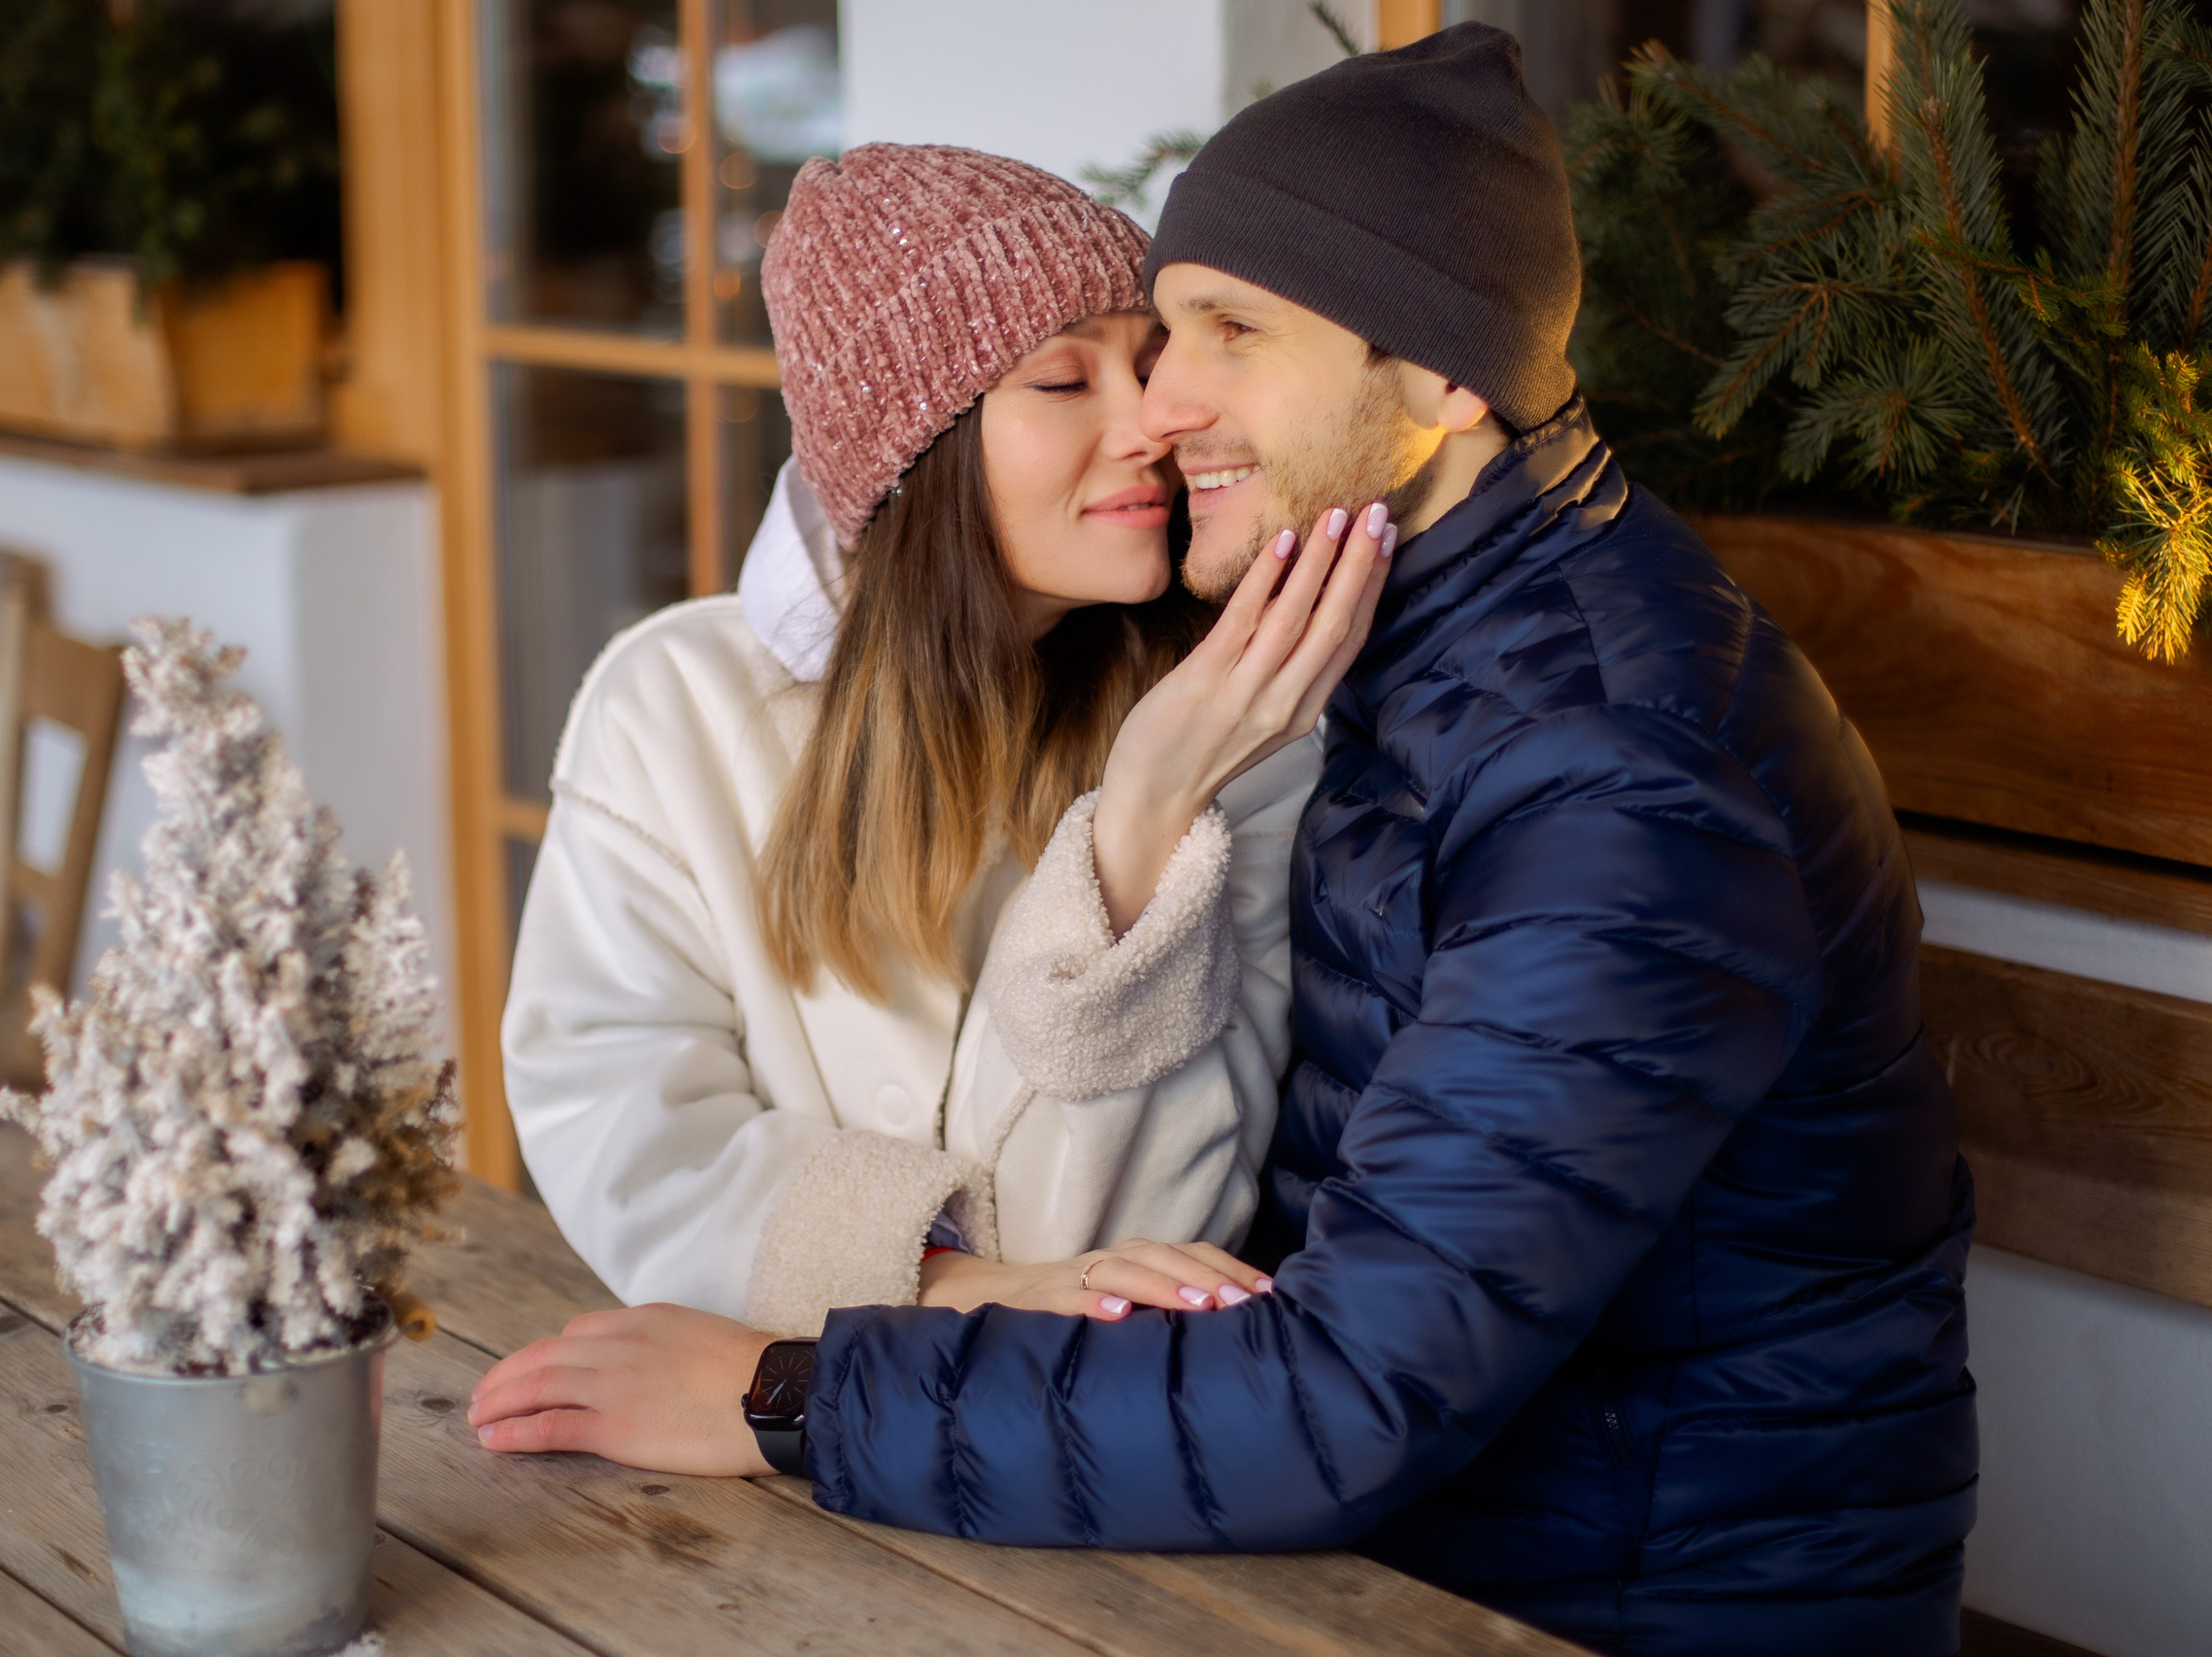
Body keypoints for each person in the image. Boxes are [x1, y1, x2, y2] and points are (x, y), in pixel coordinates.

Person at [472, 29, 1975, 1657]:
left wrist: (790, 1393)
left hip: (1601, 1597)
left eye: (1219, 336)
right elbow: (629, 1098)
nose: (1162, 411)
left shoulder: (1606, 771)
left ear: (1449, 370)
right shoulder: (1415, 673)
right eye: (1105, 361)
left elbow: (1332, 1386)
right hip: (1392, 1523)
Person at [496, 144, 1391, 1347]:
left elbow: (1129, 1245)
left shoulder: (1239, 734)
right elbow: (623, 1125)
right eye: (1063, 383)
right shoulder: (675, 705)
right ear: (913, 452)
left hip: (1088, 1470)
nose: (1153, 425)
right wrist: (956, 1287)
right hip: (741, 1453)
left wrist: (1142, 819)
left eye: (1147, 362)